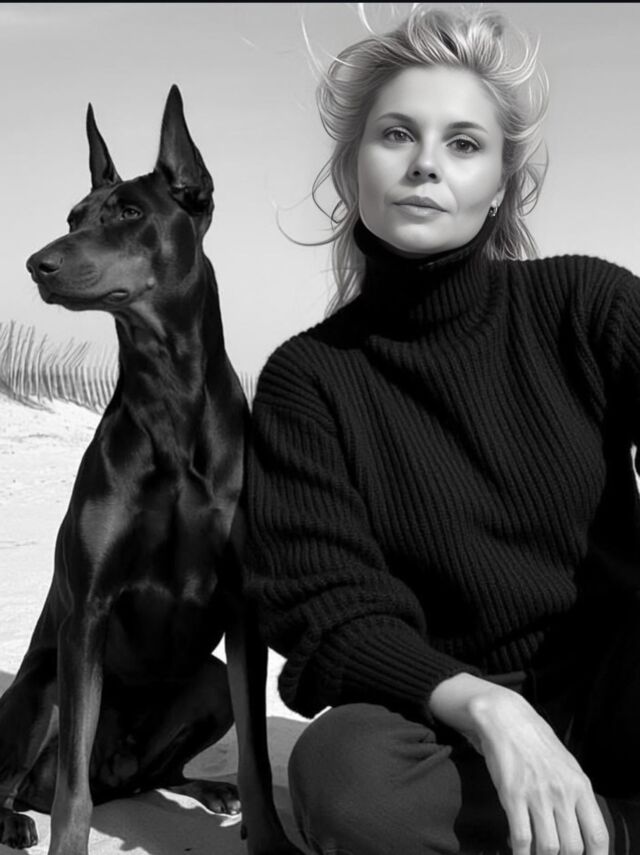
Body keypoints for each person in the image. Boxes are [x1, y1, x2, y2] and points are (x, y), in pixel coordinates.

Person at [243, 5, 640, 853]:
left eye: (463, 143)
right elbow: (329, 611)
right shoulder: (308, 380)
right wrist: (491, 707)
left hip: (619, 694)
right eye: (397, 134)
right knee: (341, 773)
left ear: (500, 184)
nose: (426, 163)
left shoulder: (587, 305)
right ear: (351, 165)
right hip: (445, 727)